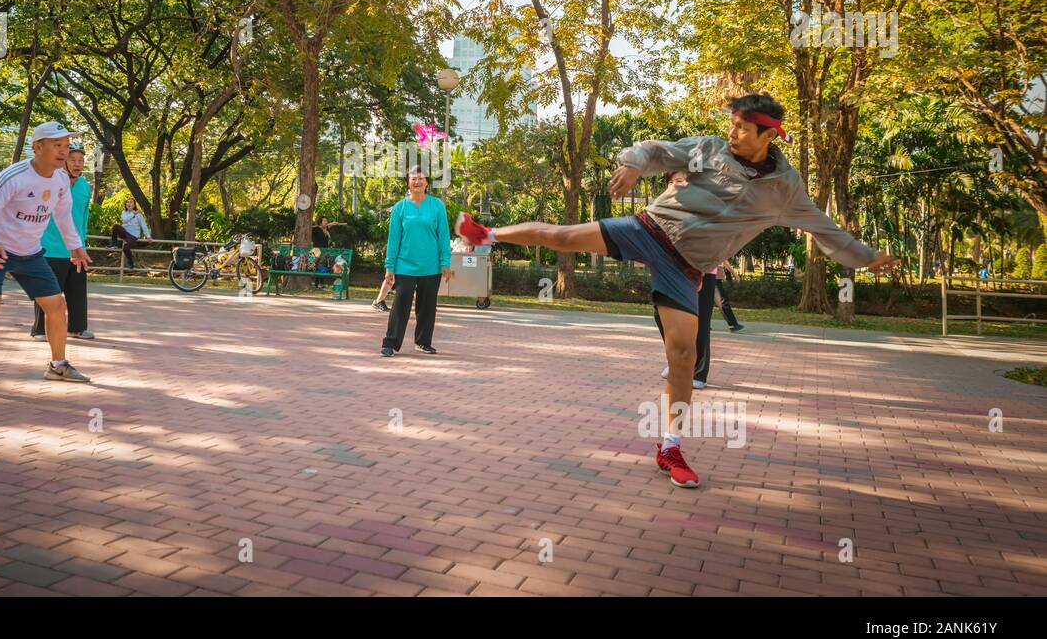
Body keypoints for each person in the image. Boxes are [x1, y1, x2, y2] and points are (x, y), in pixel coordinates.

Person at [455, 92, 899, 488]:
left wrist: (865, 257)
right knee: (565, 236)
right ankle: (486, 235)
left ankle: (670, 446)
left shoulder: (785, 189)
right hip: (650, 229)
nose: (733, 133)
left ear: (770, 134)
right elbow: (658, 150)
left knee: (683, 357)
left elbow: (825, 229)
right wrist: (632, 162)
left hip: (686, 268)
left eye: (743, 128)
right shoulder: (709, 148)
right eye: (733, 124)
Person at [0, 121, 92, 397]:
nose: (64, 152)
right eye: (57, 145)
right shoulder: (14, 176)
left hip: (30, 252)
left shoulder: (60, 181)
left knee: (56, 306)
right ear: (37, 147)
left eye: (66, 146)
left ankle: (57, 365)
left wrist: (75, 246)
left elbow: (63, 215)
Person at [381, 165, 451, 356]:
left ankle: (423, 342)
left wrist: (445, 263)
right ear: (408, 183)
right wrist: (390, 267)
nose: (417, 181)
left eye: (421, 178)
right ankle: (390, 342)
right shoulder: (399, 208)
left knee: (427, 306)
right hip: (405, 265)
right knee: (400, 303)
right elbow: (393, 240)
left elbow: (443, 236)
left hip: (431, 266)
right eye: (413, 178)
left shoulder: (437, 206)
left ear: (427, 182)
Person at [32, 140, 94, 340]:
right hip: (50, 246)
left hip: (76, 249)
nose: (77, 164)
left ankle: (77, 327)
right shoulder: (52, 181)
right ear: (64, 161)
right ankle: (40, 329)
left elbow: (83, 219)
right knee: (48, 291)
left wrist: (82, 244)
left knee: (77, 289)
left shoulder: (85, 187)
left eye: (81, 160)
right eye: (72, 159)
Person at [111, 197, 150, 270]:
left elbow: (143, 225)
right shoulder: (124, 212)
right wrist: (133, 214)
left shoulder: (138, 215)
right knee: (115, 226)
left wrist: (148, 236)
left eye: (131, 202)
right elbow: (125, 220)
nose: (129, 203)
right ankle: (114, 244)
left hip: (133, 235)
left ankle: (130, 262)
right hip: (125, 232)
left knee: (126, 248)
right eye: (127, 202)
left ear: (134, 205)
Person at [716, 259, 742, 331]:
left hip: (713, 276)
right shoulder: (720, 248)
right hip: (714, 277)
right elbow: (724, 261)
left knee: (708, 301)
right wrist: (734, 274)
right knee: (723, 299)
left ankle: (732, 324)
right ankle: (733, 324)